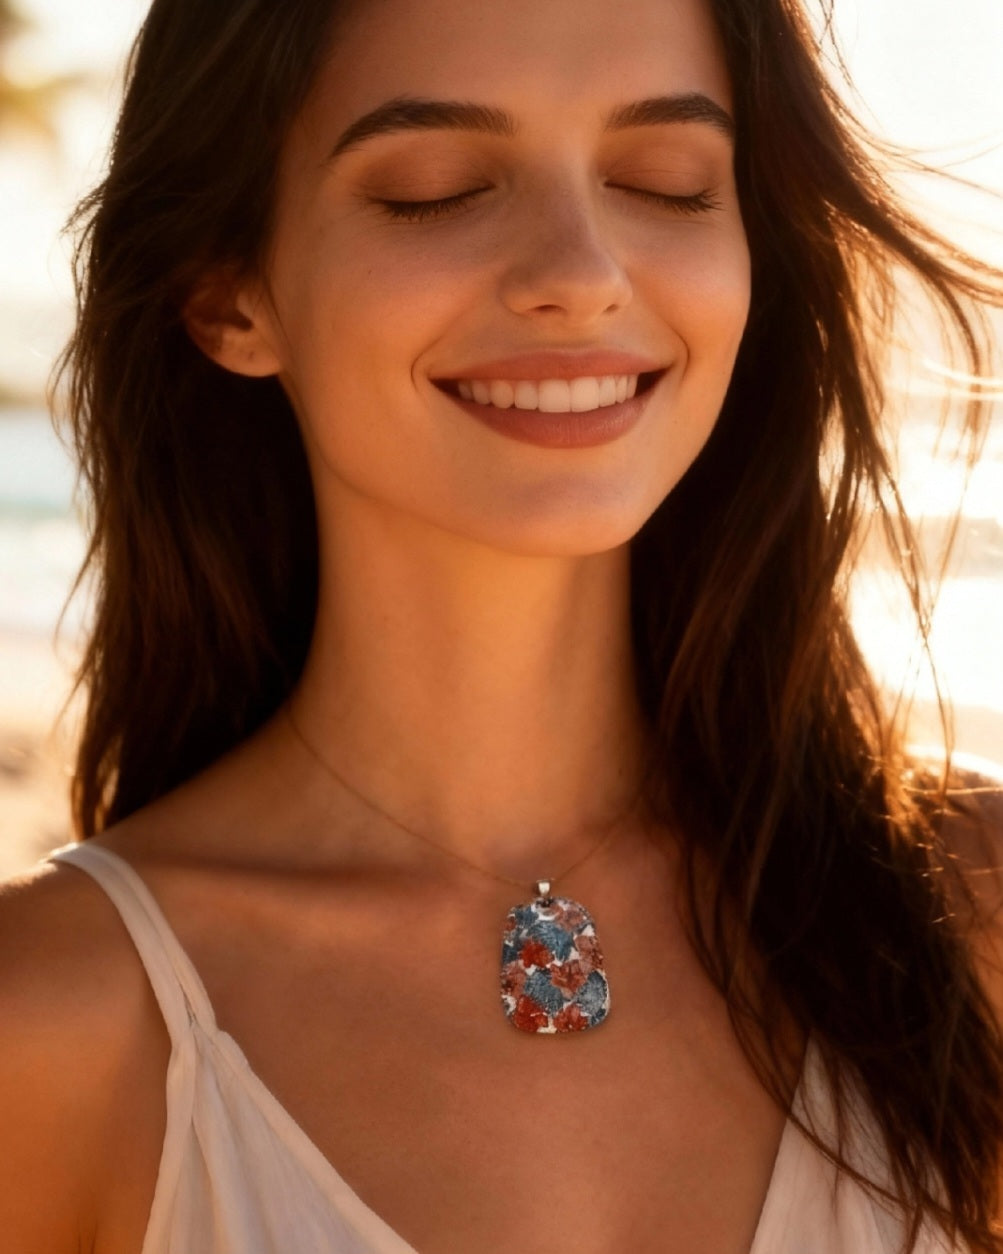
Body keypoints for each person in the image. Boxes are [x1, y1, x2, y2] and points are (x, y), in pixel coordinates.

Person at [1, 0, 1002, 1250]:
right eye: (433, 189)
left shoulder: (963, 915)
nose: (580, 274)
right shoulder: (51, 1026)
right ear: (230, 294)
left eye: (666, 181)